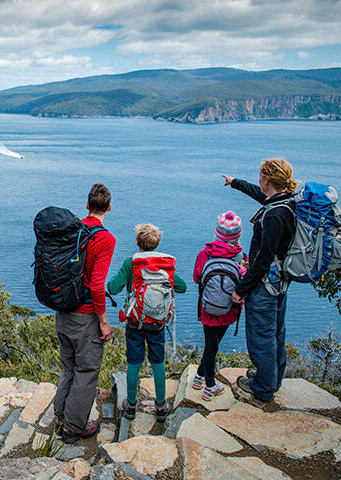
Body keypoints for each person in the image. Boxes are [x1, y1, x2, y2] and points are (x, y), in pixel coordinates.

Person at [222, 158, 298, 404]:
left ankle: (263, 387)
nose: (258, 181)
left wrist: (241, 290)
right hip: (279, 283)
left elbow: (263, 259)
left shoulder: (275, 215)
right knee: (276, 332)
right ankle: (272, 378)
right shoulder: (285, 201)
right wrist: (235, 183)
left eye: (260, 177)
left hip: (265, 285)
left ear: (267, 180)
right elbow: (260, 195)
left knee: (261, 336)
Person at [55, 183, 116, 444]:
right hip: (85, 316)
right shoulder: (105, 239)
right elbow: (98, 284)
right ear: (109, 208)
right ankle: (73, 428)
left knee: (68, 368)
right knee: (87, 370)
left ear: (87, 205)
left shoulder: (72, 231)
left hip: (63, 311)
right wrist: (103, 322)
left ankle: (61, 416)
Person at [107, 223, 186, 422]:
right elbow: (182, 287)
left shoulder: (130, 263)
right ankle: (160, 406)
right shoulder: (165, 264)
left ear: (137, 242)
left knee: (134, 362)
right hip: (158, 322)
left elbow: (113, 287)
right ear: (157, 243)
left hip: (135, 322)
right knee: (158, 362)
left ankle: (131, 405)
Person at [192, 211, 246, 401]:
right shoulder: (238, 256)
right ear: (237, 236)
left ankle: (199, 377)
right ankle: (210, 386)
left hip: (207, 309)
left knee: (210, 346)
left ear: (217, 233)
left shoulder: (204, 254)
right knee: (212, 346)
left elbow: (196, 278)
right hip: (228, 310)